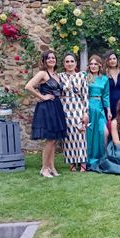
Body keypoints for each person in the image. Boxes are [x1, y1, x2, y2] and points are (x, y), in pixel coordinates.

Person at [25, 50, 67, 178]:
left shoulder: (57, 75)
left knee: (54, 139)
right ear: (44, 60)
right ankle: (44, 168)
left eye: (53, 58)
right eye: (48, 58)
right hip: (47, 108)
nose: (51, 60)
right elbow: (28, 86)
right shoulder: (43, 73)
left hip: (56, 106)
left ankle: (52, 167)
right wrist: (42, 97)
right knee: (50, 139)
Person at [58, 53, 88, 172]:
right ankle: (71, 163)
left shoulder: (81, 76)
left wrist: (85, 112)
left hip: (78, 107)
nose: (70, 63)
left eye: (72, 61)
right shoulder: (59, 76)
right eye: (67, 61)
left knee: (80, 135)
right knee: (68, 136)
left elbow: (85, 95)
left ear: (76, 63)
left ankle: (82, 163)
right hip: (65, 107)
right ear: (64, 64)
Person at [85, 55, 111, 167]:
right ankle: (87, 159)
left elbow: (106, 95)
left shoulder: (104, 79)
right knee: (89, 133)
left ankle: (103, 158)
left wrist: (108, 110)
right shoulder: (85, 77)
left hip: (99, 108)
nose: (93, 66)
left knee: (103, 132)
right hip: (88, 107)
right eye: (91, 64)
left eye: (96, 64)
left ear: (100, 65)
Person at [104, 51, 120, 117]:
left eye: (114, 58)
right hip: (108, 105)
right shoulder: (104, 73)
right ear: (107, 61)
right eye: (110, 59)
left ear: (117, 60)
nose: (112, 61)